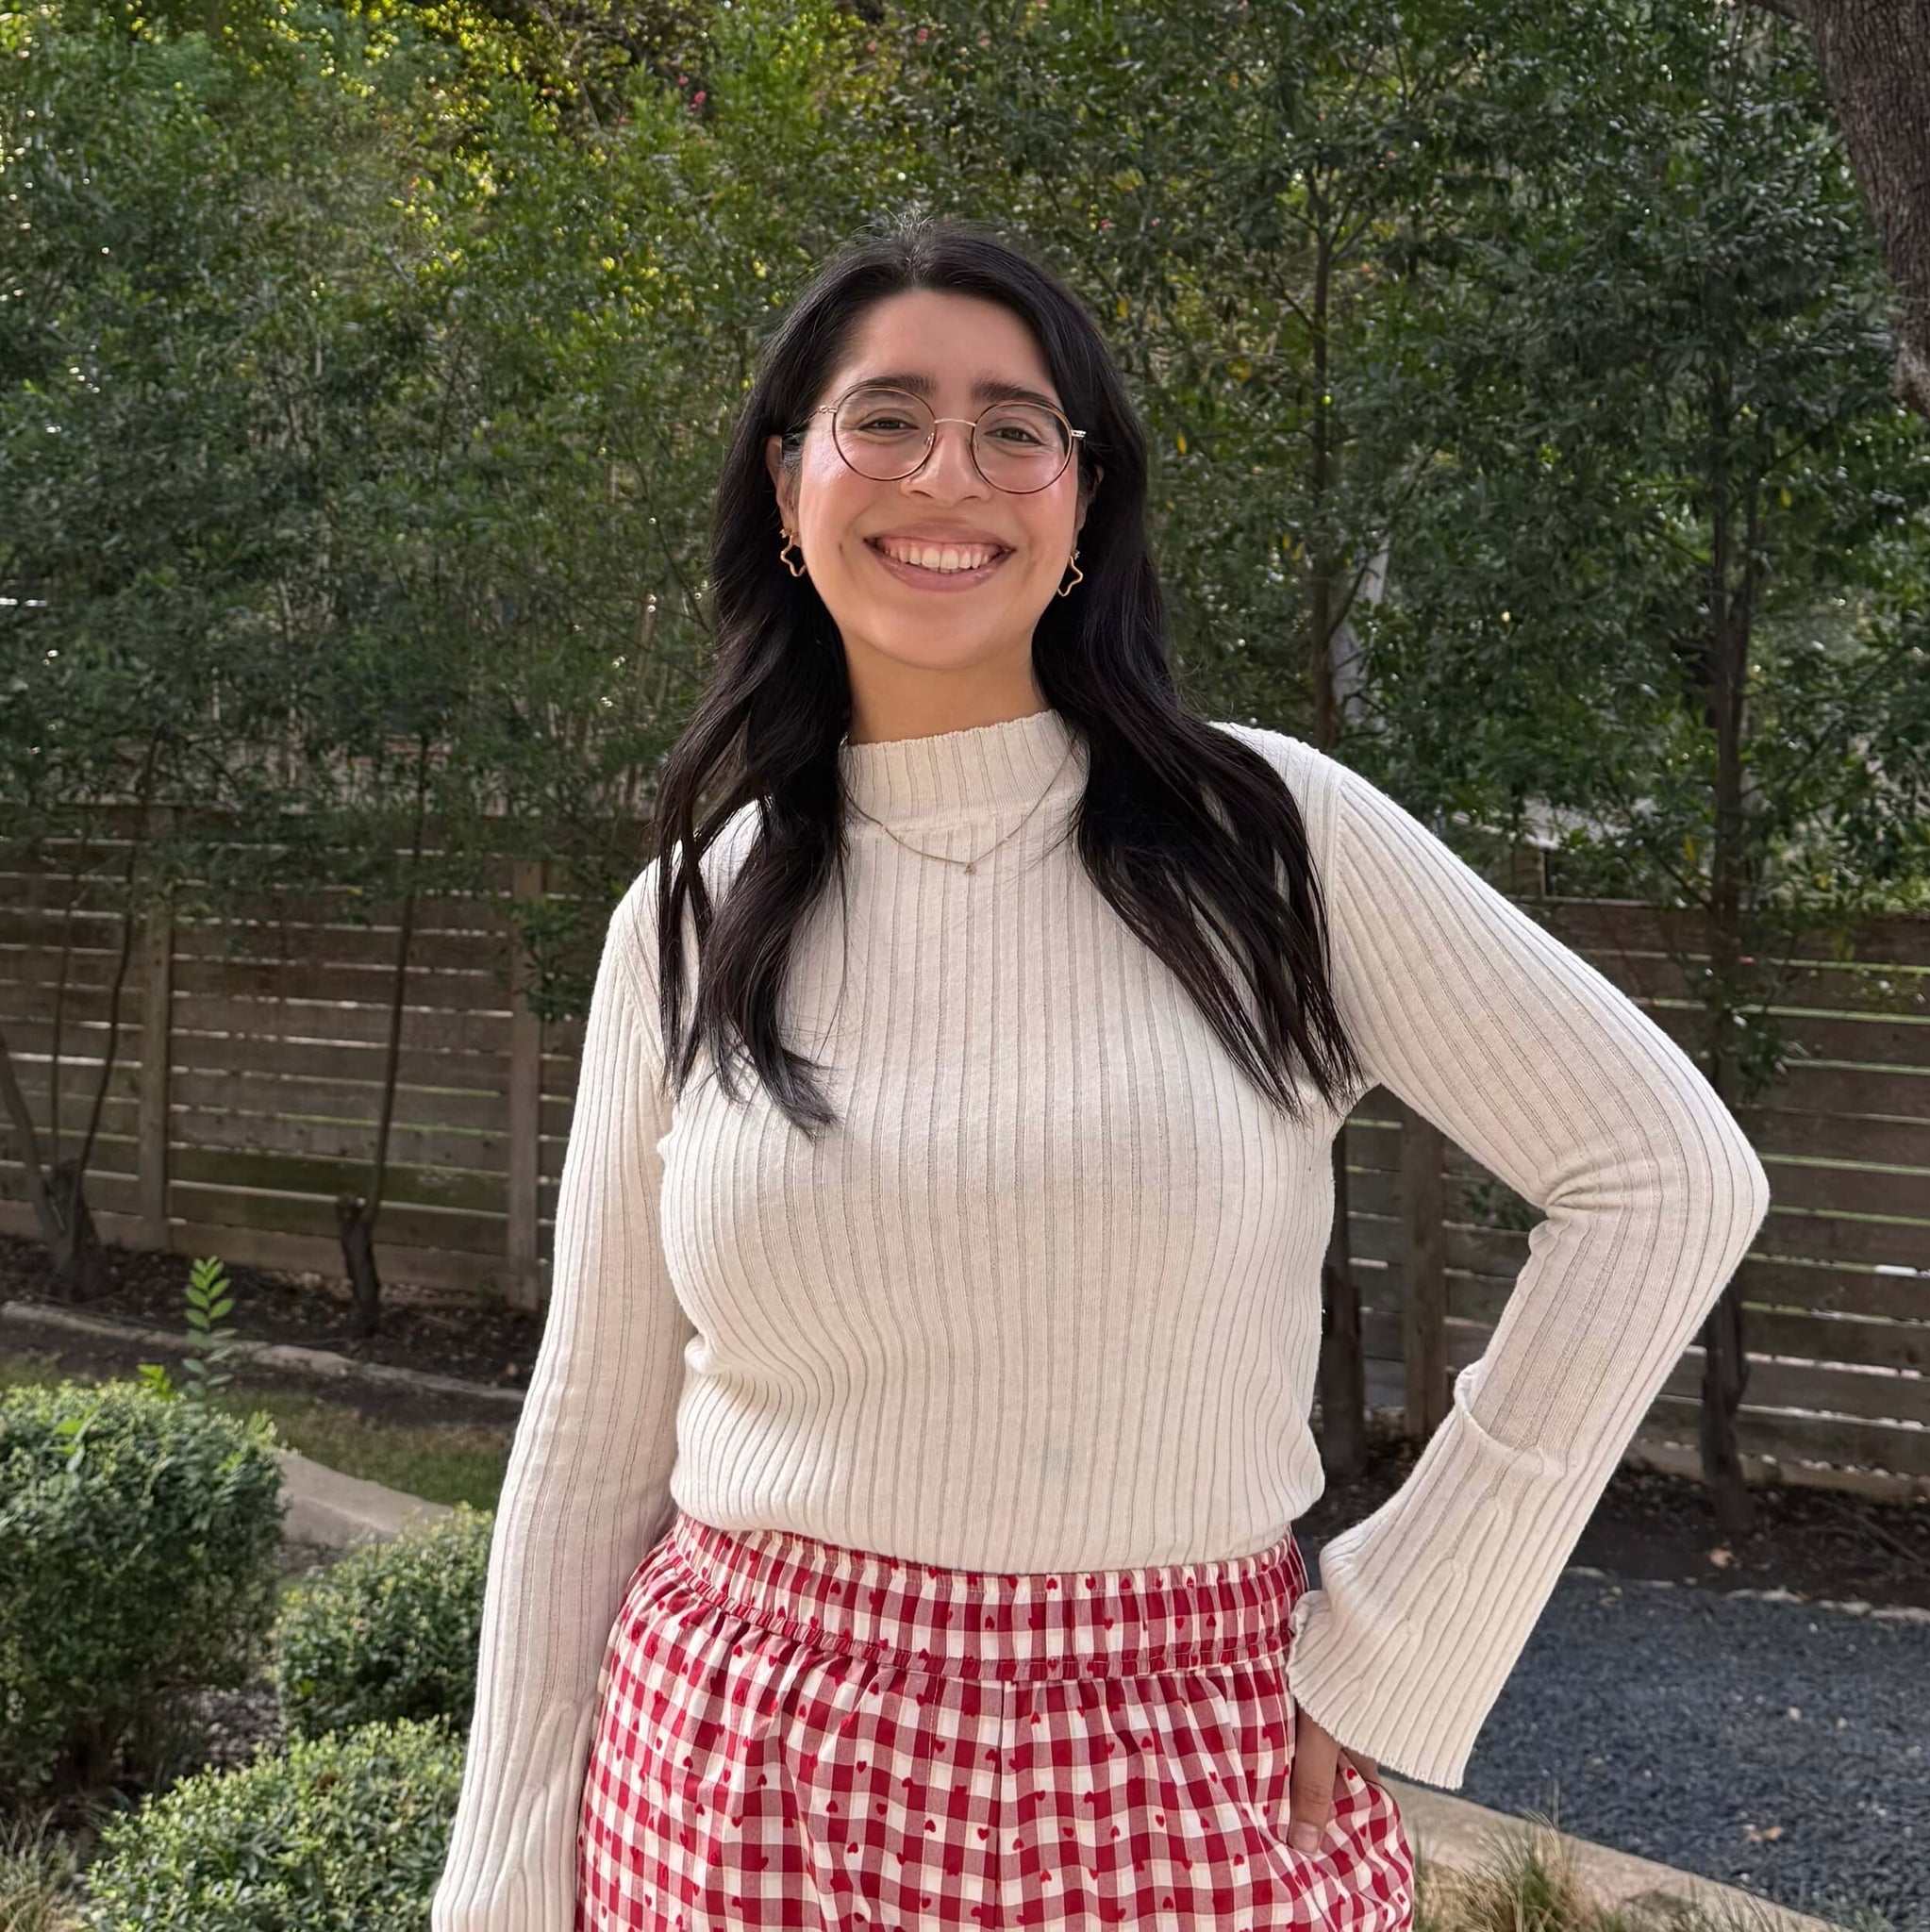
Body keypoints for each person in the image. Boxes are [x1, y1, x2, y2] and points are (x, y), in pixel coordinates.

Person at [430, 211, 1771, 1932]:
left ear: (1081, 504)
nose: (949, 474)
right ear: (786, 484)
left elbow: (1664, 1176)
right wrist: (497, 1883)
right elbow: (592, 1437)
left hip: (1184, 1778)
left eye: (1015, 428)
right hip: (735, 1786)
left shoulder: (1265, 842)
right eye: (886, 418)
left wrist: (1415, 1627)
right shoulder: (696, 913)